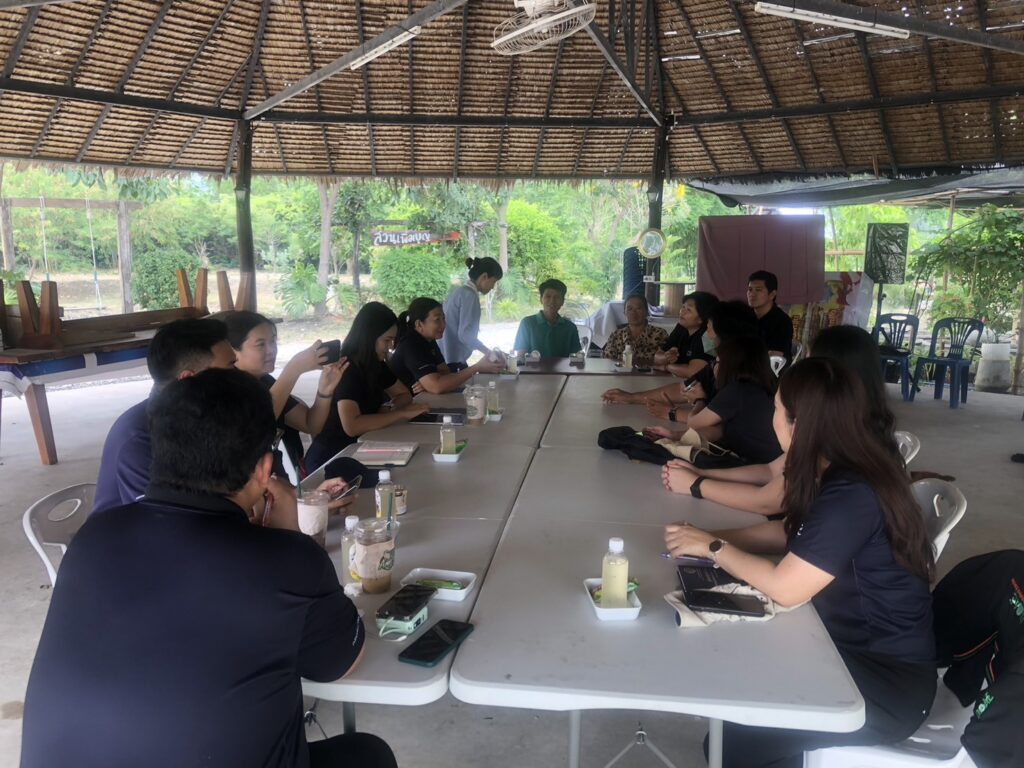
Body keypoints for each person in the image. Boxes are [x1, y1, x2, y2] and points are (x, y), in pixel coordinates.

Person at [21, 368, 393, 768]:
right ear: (264, 470)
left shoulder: (94, 537)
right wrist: (289, 540)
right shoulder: (290, 561)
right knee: (368, 755)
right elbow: (341, 663)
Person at [664, 358, 936, 768]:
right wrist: (705, 540)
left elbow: (787, 587)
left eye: (776, 408)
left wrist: (715, 548)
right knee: (738, 690)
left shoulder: (852, 493)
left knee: (733, 743)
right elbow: (790, 534)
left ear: (799, 423)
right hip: (840, 647)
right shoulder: (841, 467)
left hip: (883, 684)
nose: (771, 418)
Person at [661, 325, 900, 515]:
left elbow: (767, 502)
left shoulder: (844, 444)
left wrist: (696, 484)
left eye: (808, 361)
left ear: (830, 376)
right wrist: (701, 473)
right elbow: (770, 470)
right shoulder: (852, 426)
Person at [93, 317, 237, 514]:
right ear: (189, 379)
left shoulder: (204, 414)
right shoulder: (138, 439)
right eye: (230, 368)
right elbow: (162, 519)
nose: (240, 376)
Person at [305, 302, 428, 472]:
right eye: (387, 340)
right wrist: (400, 413)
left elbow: (404, 394)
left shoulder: (375, 364)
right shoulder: (346, 369)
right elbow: (352, 426)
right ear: (369, 337)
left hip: (361, 447)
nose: (390, 347)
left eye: (392, 340)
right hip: (332, 457)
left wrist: (387, 409)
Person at [224, 311, 348, 476]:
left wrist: (324, 391)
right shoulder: (228, 389)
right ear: (232, 351)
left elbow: (310, 424)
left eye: (273, 341)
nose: (272, 350)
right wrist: (293, 369)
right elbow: (258, 426)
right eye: (260, 345)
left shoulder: (265, 381)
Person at [646, 335, 782, 466]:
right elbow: (718, 430)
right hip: (771, 463)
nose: (714, 367)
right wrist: (673, 435)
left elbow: (693, 423)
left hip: (757, 466)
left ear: (729, 365)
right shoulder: (765, 387)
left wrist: (699, 399)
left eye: (716, 362)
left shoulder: (737, 391)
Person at [602, 300, 756, 412]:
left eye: (709, 326)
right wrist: (631, 397)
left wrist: (674, 413)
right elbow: (682, 389)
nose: (706, 332)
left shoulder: (740, 371)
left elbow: (714, 424)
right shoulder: (716, 364)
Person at [390, 297, 502, 393]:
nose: (443, 325)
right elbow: (437, 387)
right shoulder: (411, 344)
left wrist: (430, 383)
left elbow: (445, 372)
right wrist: (477, 367)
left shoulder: (429, 340)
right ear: (419, 324)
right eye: (437, 320)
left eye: (443, 318)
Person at [440, 256, 504, 367]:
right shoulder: (470, 296)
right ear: (484, 277)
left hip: (444, 358)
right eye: (493, 281)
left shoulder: (458, 291)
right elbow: (465, 335)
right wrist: (489, 353)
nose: (493, 287)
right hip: (454, 361)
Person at [654, 291, 718, 378]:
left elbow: (693, 372)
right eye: (683, 307)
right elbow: (657, 358)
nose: (682, 311)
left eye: (689, 310)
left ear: (701, 318)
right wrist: (667, 357)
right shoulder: (681, 328)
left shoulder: (707, 336)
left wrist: (666, 367)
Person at [513, 278, 582, 358]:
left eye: (557, 297)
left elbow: (577, 359)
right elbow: (521, 357)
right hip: (533, 367)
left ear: (562, 301)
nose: (552, 301)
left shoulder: (570, 328)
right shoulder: (527, 324)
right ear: (541, 299)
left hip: (562, 367)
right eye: (548, 296)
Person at [602, 293, 669, 364]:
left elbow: (667, 359)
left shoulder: (660, 334)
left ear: (646, 312)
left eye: (638, 308)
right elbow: (607, 361)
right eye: (629, 309)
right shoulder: (616, 335)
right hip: (620, 371)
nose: (633, 313)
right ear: (624, 313)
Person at [747, 270, 793, 360]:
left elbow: (776, 356)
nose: (752, 294)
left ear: (772, 294)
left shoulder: (782, 322)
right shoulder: (745, 316)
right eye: (750, 289)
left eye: (758, 290)